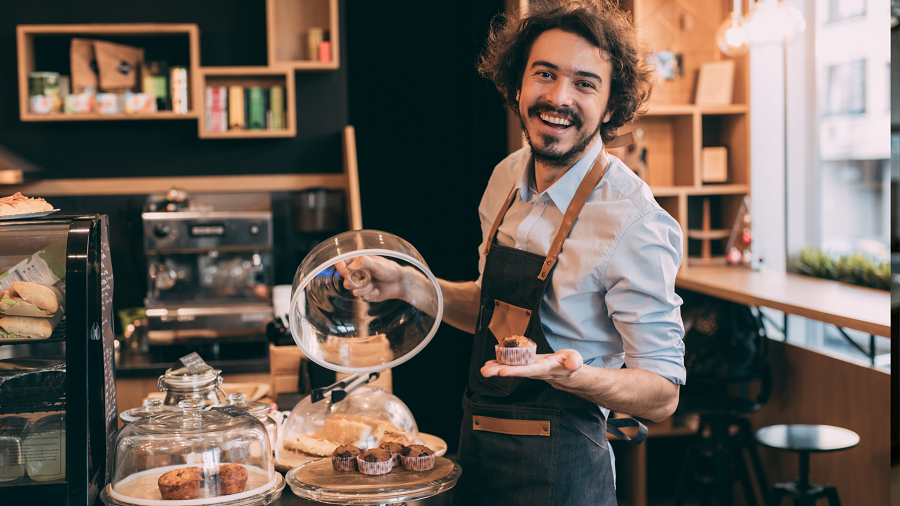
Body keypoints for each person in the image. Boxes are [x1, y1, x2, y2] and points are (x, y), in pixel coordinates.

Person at [337, 1, 685, 504]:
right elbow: (493, 311)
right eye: (545, 74)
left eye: (585, 83)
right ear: (517, 85)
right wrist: (410, 284)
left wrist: (575, 375)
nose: (559, 97)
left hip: (566, 476)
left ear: (610, 107)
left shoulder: (634, 220)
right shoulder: (505, 178)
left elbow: (663, 393)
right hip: (478, 458)